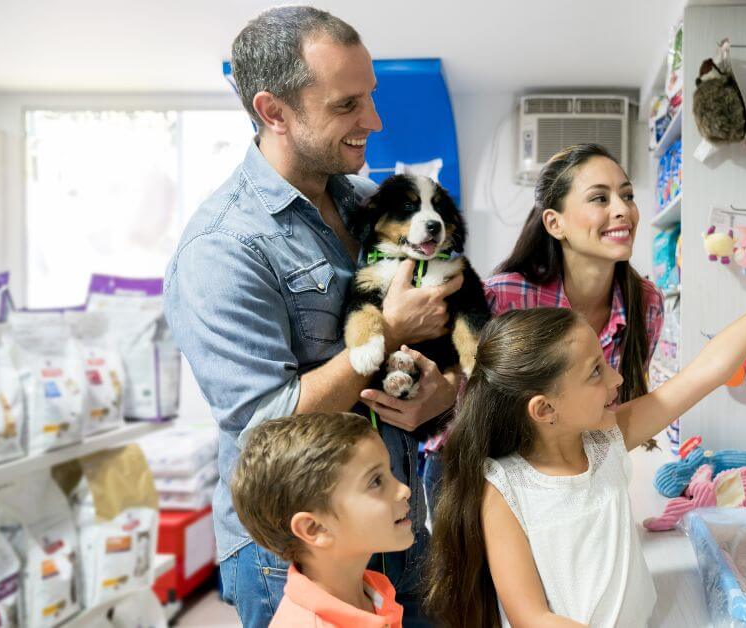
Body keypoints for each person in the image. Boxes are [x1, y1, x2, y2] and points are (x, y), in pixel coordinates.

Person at [163, 7, 459, 626]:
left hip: (397, 519)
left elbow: (424, 350)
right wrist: (384, 337)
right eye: (347, 104)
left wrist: (438, 391)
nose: (373, 121)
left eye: (370, 96)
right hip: (296, 555)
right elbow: (259, 429)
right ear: (273, 111)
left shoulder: (363, 204)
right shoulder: (222, 248)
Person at [424, 214, 746, 627]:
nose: (617, 377)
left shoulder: (605, 440)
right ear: (544, 409)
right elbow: (532, 617)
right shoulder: (505, 489)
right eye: (595, 371)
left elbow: (711, 366)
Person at [424, 143, 663, 513]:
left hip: (571, 476)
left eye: (627, 195)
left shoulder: (646, 303)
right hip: (478, 476)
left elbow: (615, 409)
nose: (623, 210)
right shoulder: (502, 298)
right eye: (599, 198)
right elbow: (467, 412)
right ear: (555, 223)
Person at [231, 412, 409, 628]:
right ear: (314, 528)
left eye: (389, 472)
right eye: (375, 482)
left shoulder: (374, 591)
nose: (404, 490)